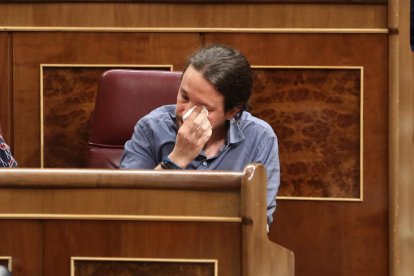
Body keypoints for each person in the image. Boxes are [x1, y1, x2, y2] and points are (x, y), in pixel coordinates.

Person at [120, 44, 280, 225]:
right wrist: (176, 159)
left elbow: (258, 223)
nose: (185, 113)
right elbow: (125, 205)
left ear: (232, 112)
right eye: (184, 97)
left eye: (204, 108)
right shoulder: (150, 128)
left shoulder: (261, 138)